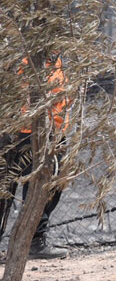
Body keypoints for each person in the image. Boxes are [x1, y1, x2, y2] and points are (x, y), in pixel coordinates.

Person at [2, 54, 70, 259]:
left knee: (48, 187)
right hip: (24, 132)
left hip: (51, 131)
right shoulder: (24, 55)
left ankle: (35, 241)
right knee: (8, 189)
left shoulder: (54, 57)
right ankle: (34, 241)